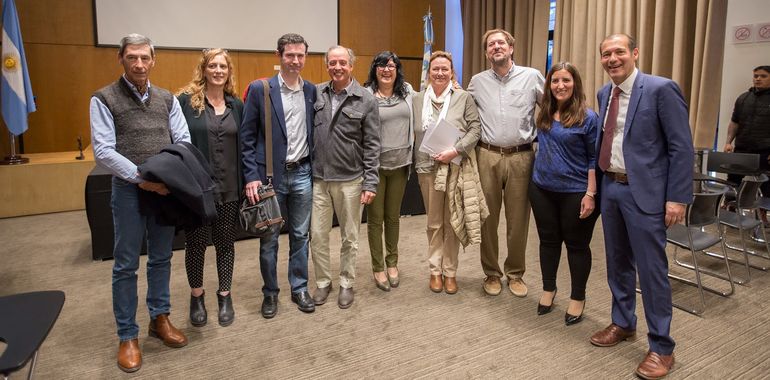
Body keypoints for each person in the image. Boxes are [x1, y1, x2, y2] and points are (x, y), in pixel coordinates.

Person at [590, 34, 693, 380]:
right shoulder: (605, 94)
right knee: (617, 263)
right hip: (612, 188)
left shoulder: (661, 89)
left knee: (651, 271)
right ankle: (623, 322)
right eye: (606, 54)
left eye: (619, 52)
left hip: (645, 194)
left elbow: (681, 147)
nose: (612, 58)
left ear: (635, 53)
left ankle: (662, 346)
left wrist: (677, 197)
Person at [90, 33, 190, 373]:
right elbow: (103, 151)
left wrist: (166, 178)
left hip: (163, 190)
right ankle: (127, 335)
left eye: (145, 57)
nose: (139, 64)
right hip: (130, 191)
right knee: (126, 264)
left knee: (161, 258)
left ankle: (159, 319)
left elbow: (183, 141)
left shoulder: (167, 98)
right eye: (132, 57)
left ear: (153, 60)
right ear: (121, 58)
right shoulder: (104, 98)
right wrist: (143, 178)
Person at [241, 33, 317, 318]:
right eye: (290, 55)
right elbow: (247, 138)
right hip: (269, 178)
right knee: (269, 239)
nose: (295, 61)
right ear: (279, 56)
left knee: (300, 235)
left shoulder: (310, 91)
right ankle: (270, 293)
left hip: (302, 174)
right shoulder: (261, 90)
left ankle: (299, 288)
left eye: (300, 55)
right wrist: (251, 176)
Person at [467, 29, 544, 297]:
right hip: (486, 155)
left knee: (518, 220)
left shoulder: (532, 76)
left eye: (501, 43)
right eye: (491, 44)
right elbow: (464, 115)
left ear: (511, 48)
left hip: (522, 156)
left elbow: (552, 109)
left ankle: (515, 273)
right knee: (487, 218)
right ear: (486, 52)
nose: (496, 47)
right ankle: (491, 273)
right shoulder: (476, 82)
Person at [176, 48, 243, 327]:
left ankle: (224, 295)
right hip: (197, 189)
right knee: (196, 244)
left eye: (223, 67)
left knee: (226, 244)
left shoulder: (235, 105)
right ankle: (197, 295)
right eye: (212, 66)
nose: (218, 71)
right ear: (203, 69)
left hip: (229, 187)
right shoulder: (185, 103)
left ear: (228, 72)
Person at [528, 62, 599, 325]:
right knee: (547, 242)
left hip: (575, 191)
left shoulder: (588, 117)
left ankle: (577, 297)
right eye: (555, 81)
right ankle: (549, 289)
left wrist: (591, 194)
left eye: (566, 81)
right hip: (542, 188)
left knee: (576, 245)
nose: (560, 86)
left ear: (575, 84)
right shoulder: (544, 113)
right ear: (549, 85)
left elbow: (594, 158)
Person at [311, 45, 380, 309]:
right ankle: (323, 282)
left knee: (349, 237)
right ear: (327, 65)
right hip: (319, 179)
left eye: (342, 62)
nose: (337, 67)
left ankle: (346, 283)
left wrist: (371, 181)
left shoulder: (366, 99)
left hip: (351, 180)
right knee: (317, 235)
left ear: (351, 66)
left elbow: (373, 144)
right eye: (332, 62)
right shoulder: (315, 93)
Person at [414, 51, 486, 295]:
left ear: (452, 72)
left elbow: (475, 129)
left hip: (454, 166)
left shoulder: (463, 98)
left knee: (451, 222)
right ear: (429, 72)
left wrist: (455, 150)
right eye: (435, 68)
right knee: (434, 222)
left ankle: (451, 272)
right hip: (426, 168)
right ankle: (435, 271)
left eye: (445, 69)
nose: (440, 73)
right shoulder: (417, 99)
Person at [363, 51, 414, 292]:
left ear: (397, 70)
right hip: (375, 168)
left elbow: (432, 102)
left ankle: (392, 263)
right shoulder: (365, 95)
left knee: (393, 218)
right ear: (375, 69)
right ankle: (377, 267)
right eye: (381, 65)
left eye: (392, 65)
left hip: (401, 164)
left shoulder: (408, 92)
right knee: (375, 220)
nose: (386, 69)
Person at [723, 65, 770, 194]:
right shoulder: (743, 98)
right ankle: (730, 209)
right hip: (742, 149)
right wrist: (728, 142)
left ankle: (763, 213)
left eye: (763, 76)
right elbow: (734, 122)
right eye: (756, 76)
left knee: (766, 187)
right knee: (733, 183)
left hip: (765, 152)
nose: (758, 79)